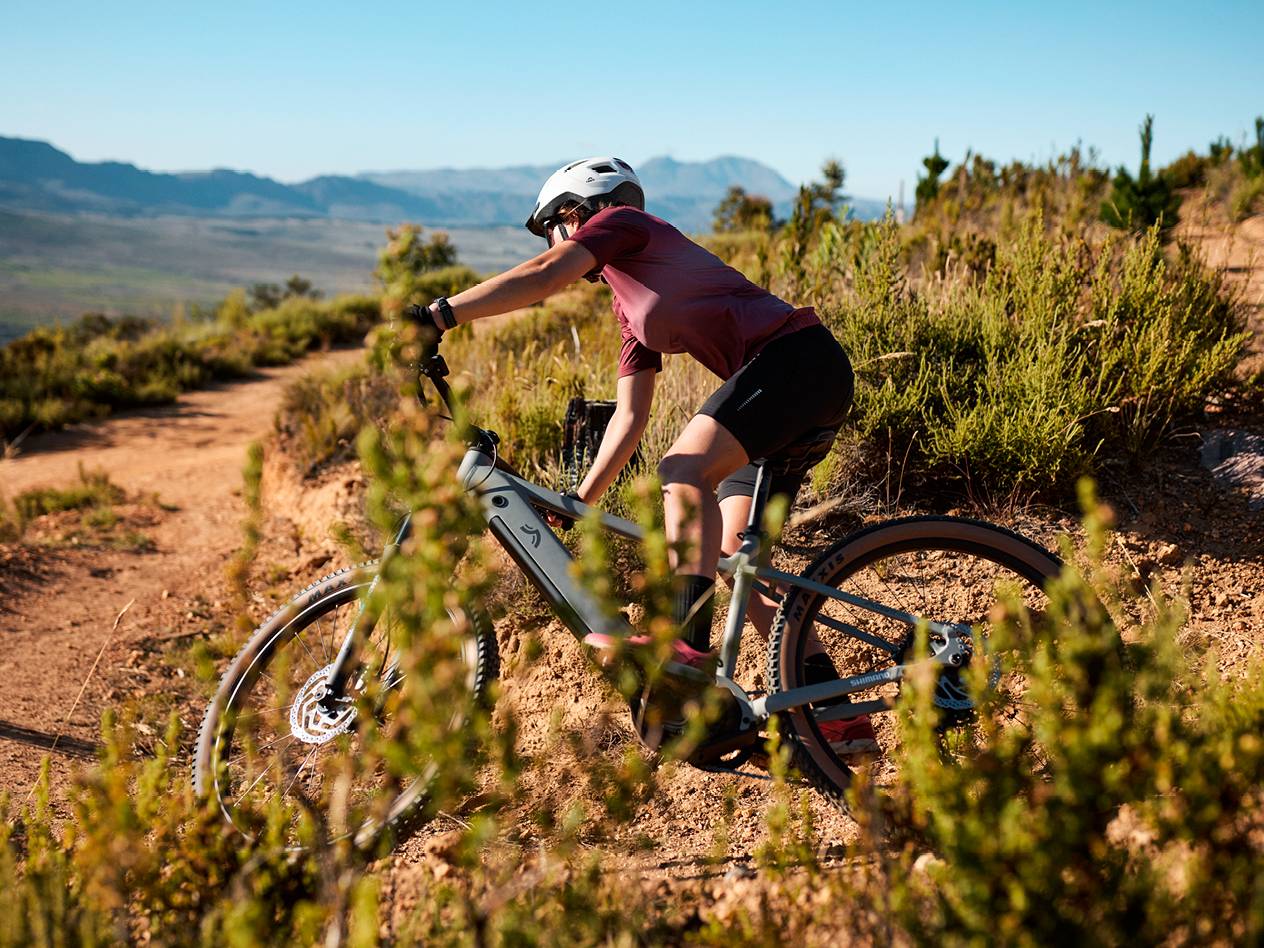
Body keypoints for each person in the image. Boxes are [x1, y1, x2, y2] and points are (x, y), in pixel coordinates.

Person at [411, 157, 876, 754]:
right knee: (735, 566)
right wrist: (581, 499)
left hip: (798, 364)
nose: (559, 240)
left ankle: (686, 653)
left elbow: (547, 272)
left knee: (683, 470)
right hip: (781, 398)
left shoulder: (624, 223)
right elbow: (630, 418)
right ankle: (836, 714)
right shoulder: (629, 307)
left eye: (554, 226)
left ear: (574, 212)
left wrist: (440, 314)